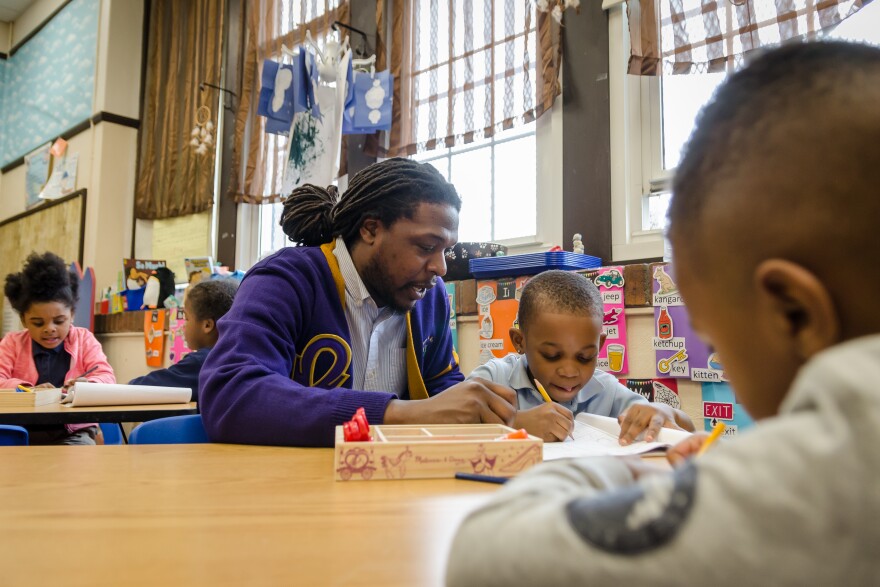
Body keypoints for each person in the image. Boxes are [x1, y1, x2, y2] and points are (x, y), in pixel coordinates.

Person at [446, 41, 880, 586]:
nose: (570, 369)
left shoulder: (821, 475)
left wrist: (611, 469)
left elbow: (483, 556)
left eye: (715, 336)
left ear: (794, 315)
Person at [200, 158, 516, 446]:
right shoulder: (286, 280)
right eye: (426, 246)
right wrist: (393, 413)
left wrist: (503, 421)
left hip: (392, 491)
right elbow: (231, 395)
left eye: (445, 250)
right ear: (370, 229)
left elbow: (443, 395)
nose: (441, 267)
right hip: (288, 491)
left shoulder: (429, 299)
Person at [469, 270, 694, 442]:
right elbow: (442, 431)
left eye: (585, 357)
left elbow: (686, 429)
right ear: (520, 341)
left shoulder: (606, 391)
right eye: (551, 355)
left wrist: (663, 411)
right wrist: (514, 423)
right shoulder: (492, 378)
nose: (569, 371)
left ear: (600, 345)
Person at [0, 252, 115, 445]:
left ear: (71, 314)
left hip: (74, 430)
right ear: (23, 320)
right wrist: (27, 390)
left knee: (77, 465)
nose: (50, 329)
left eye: (59, 321)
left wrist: (87, 384)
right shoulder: (12, 343)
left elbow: (106, 376)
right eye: (38, 323)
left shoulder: (84, 339)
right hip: (21, 430)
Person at [129, 279, 238, 402]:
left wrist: (127, 385)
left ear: (207, 325)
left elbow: (139, 388)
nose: (183, 326)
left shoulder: (202, 362)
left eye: (186, 318)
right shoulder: (242, 355)